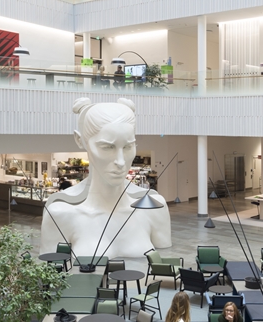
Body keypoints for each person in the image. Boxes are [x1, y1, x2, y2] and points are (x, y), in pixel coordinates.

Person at [40, 98, 171, 256]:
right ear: (80, 140)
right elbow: (52, 268)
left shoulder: (155, 208)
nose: (120, 162)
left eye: (128, 146)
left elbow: (164, 263)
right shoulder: (60, 214)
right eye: (107, 147)